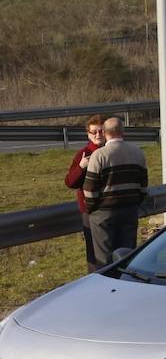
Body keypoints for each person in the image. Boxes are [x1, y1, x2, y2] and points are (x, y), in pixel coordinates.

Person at [82, 116, 148, 266]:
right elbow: (143, 186)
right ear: (123, 132)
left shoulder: (99, 155)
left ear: (105, 133)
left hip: (104, 214)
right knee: (126, 255)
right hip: (129, 210)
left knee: (104, 259)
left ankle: (107, 287)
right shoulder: (138, 153)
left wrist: (92, 208)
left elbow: (90, 189)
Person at [64, 114, 106, 272]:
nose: (98, 135)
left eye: (101, 131)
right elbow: (70, 182)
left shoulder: (113, 150)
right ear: (88, 134)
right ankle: (95, 280)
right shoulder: (84, 154)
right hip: (90, 211)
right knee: (94, 253)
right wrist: (82, 166)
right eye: (94, 132)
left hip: (112, 208)